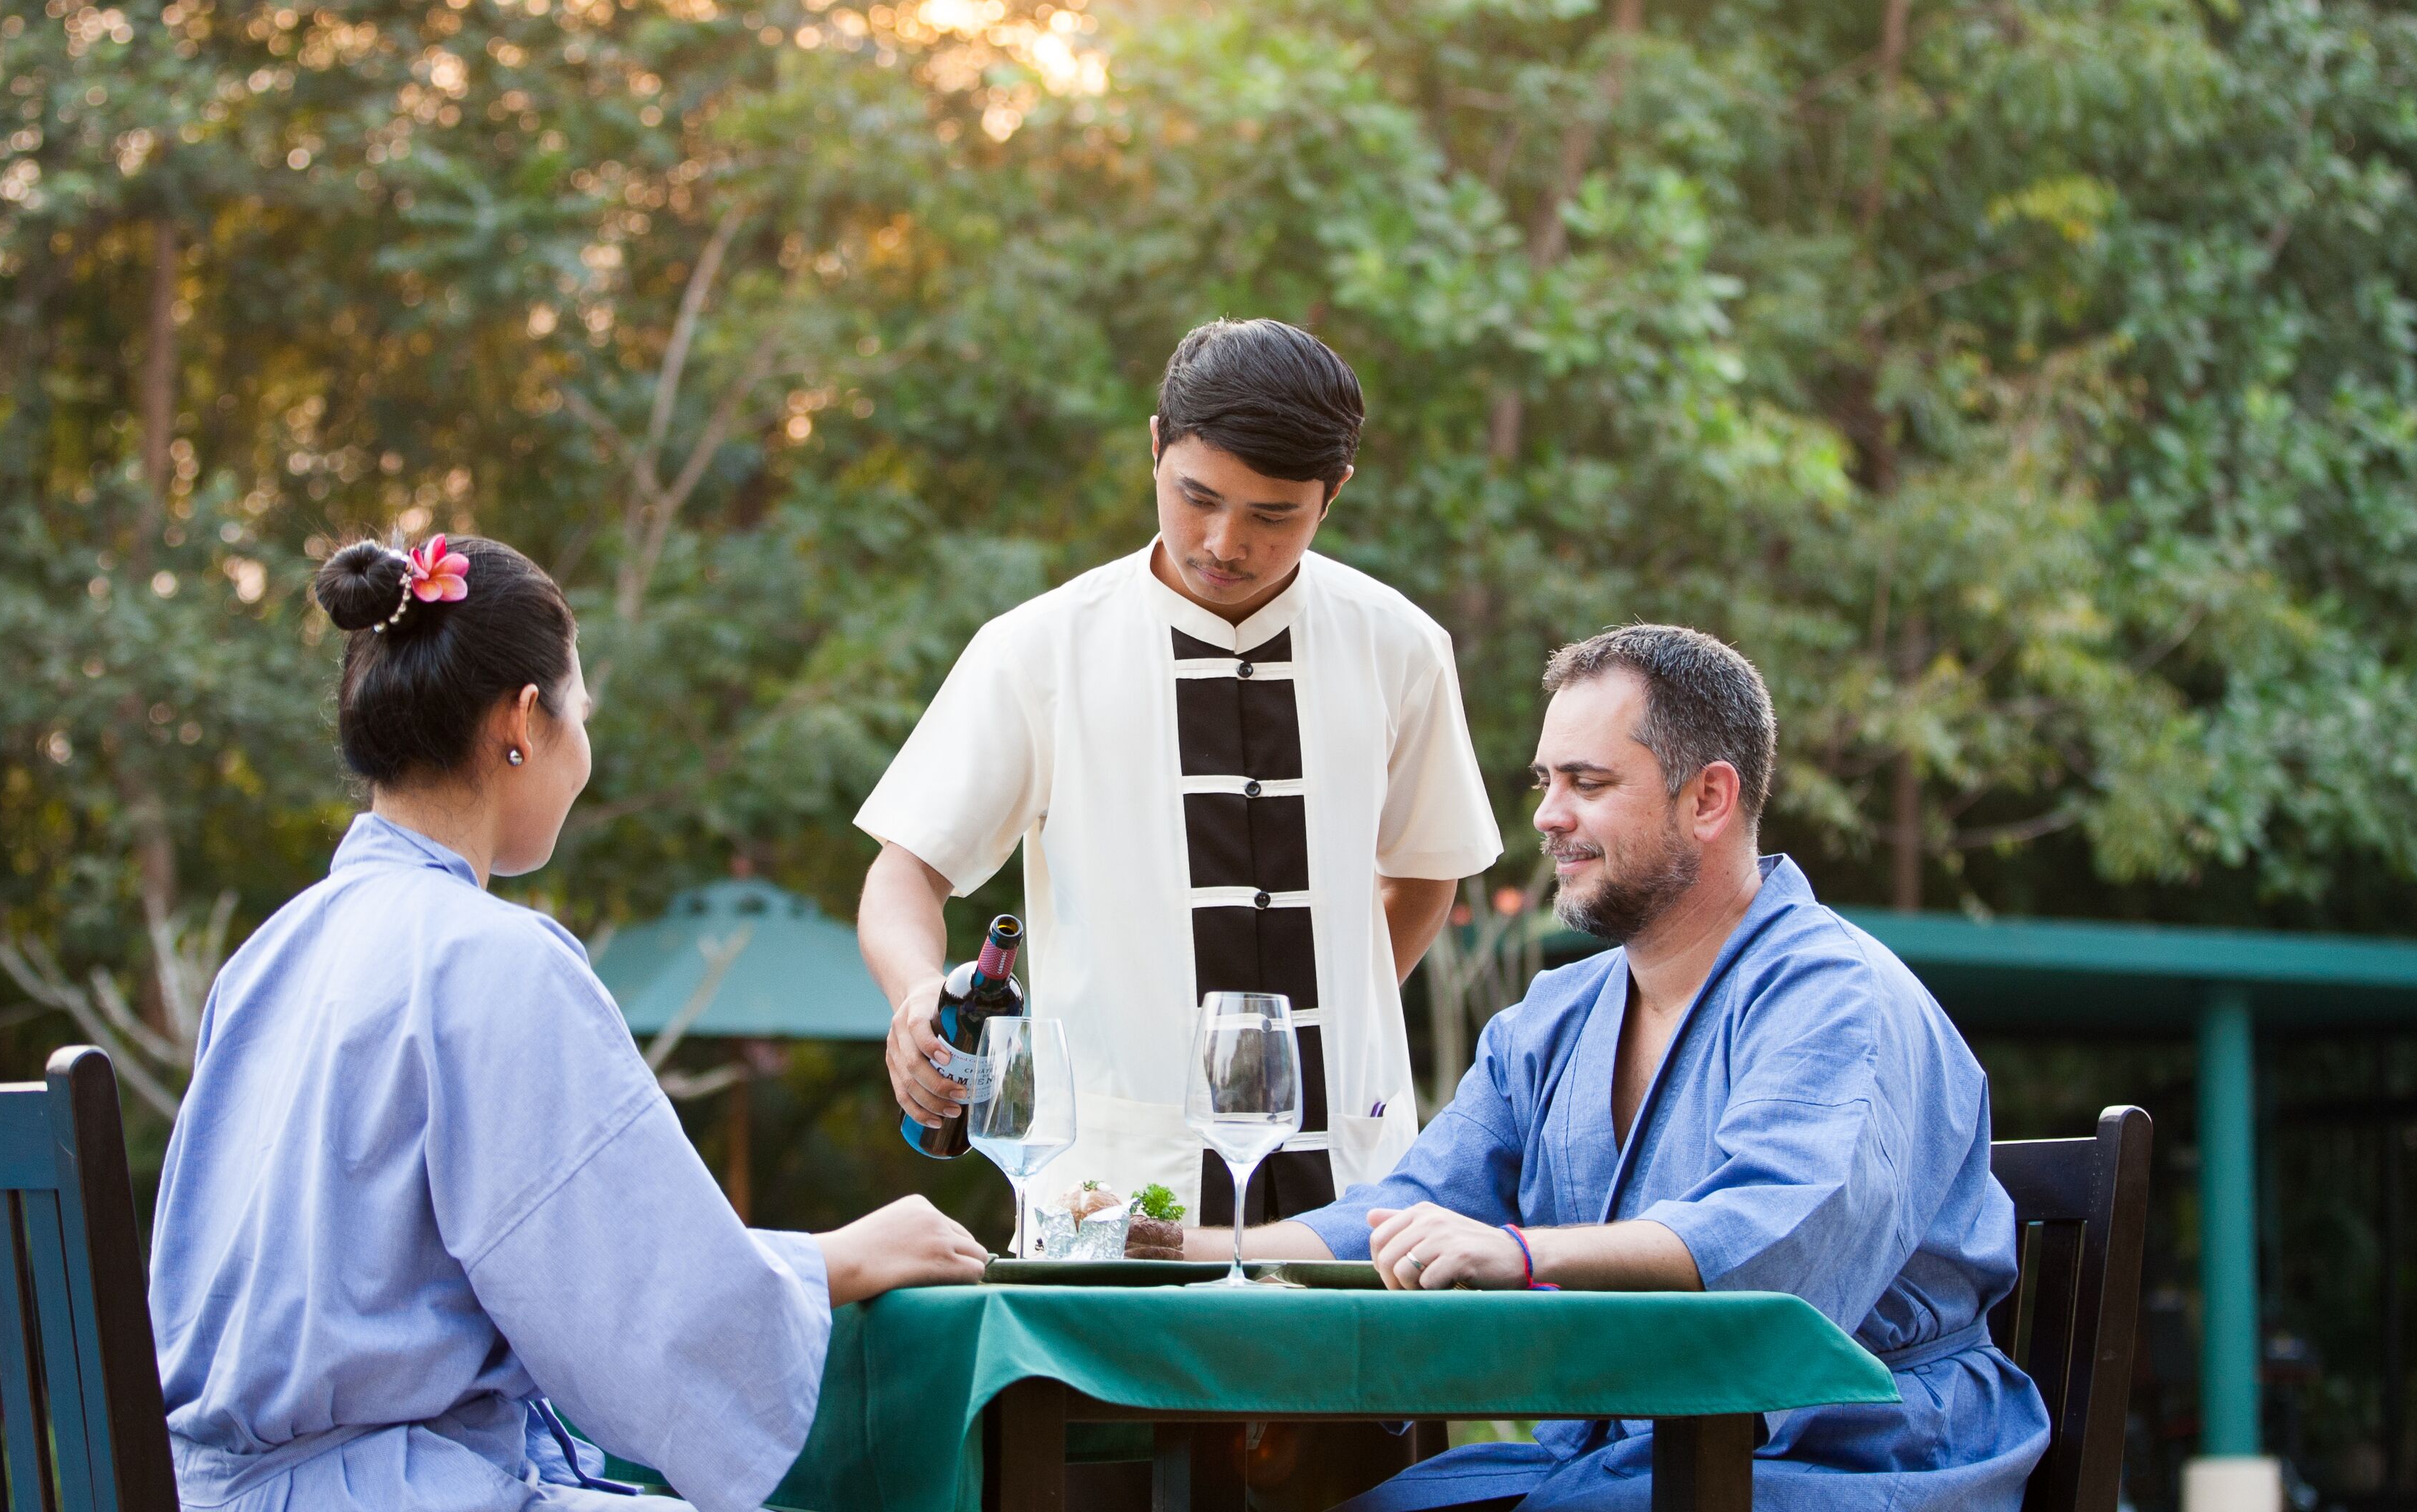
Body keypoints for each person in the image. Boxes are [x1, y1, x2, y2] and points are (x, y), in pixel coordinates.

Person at [150, 532, 987, 1512]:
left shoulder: (271, 954)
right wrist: (839, 1257)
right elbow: (636, 1301)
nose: (583, 749)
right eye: (579, 713)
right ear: (523, 721)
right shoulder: (492, 960)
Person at [1205, 624, 2050, 1511]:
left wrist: (1519, 1255)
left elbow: (1767, 1240)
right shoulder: (1554, 1016)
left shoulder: (1837, 995)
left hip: (1853, 1447)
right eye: (1546, 781)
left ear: (1709, 799)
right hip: (1626, 1455)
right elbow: (1405, 1211)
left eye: (1588, 782)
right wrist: (1187, 1253)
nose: (1547, 814)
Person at [856, 320, 1502, 1226]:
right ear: (1155, 444)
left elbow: (1429, 872)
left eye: (1273, 515)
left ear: (1335, 493)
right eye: (1196, 496)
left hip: (1355, 1187)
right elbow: (905, 870)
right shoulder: (1039, 649)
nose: (1225, 542)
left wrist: (1313, 1044)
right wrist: (918, 992)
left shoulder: (1401, 647)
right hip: (1109, 1184)